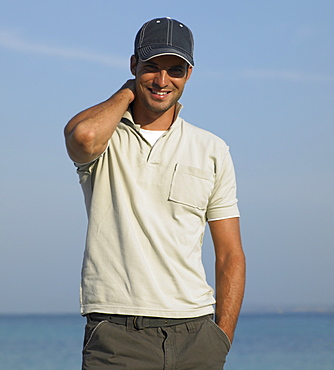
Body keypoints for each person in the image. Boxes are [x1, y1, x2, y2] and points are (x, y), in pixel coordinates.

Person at [64, 17, 246, 370]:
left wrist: (220, 339)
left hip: (196, 335)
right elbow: (82, 138)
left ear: (189, 74)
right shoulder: (105, 136)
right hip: (117, 336)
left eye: (175, 70)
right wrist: (128, 91)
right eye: (151, 67)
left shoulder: (212, 148)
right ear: (133, 65)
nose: (163, 81)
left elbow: (230, 255)